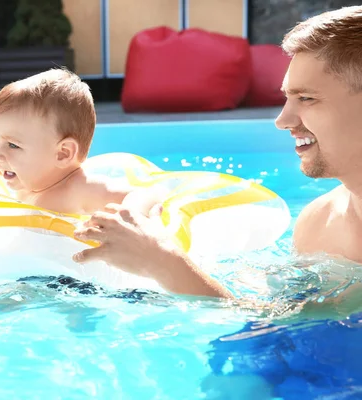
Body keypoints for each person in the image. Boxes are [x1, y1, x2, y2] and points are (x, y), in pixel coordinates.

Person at [73, 5, 362, 299]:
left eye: (307, 98)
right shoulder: (316, 225)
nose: (282, 121)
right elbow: (279, 328)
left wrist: (162, 262)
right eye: (288, 98)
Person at [0, 68, 134, 215]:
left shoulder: (79, 189)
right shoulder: (29, 177)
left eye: (12, 145)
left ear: (62, 153)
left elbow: (144, 199)